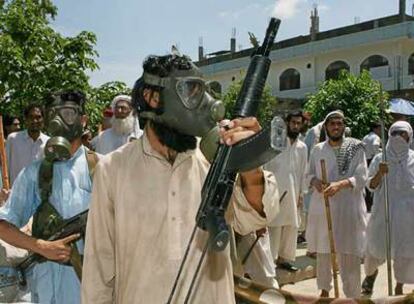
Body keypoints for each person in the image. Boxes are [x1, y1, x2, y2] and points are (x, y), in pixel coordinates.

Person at [81, 54, 279, 303]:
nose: (207, 103)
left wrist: (249, 164)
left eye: (203, 90)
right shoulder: (112, 170)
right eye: (191, 91)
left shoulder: (214, 160)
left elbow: (253, 220)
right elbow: (99, 268)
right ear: (153, 98)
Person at [0, 91, 99, 304]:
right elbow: (3, 225)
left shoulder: (104, 169)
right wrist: (41, 247)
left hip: (93, 286)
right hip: (46, 287)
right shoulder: (34, 173)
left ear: (83, 120)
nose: (59, 120)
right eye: (53, 114)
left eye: (68, 114)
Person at [306, 110, 368, 298]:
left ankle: (352, 297)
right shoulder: (317, 150)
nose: (335, 127)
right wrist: (315, 182)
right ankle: (325, 293)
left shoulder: (356, 147)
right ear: (326, 127)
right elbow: (308, 175)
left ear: (344, 126)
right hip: (324, 210)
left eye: (339, 123)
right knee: (324, 254)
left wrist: (340, 185)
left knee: (349, 255)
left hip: (348, 209)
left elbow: (361, 176)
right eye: (332, 124)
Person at [362, 121, 414, 296]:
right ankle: (371, 275)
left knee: (405, 252)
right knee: (374, 248)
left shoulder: (413, 158)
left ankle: (400, 285)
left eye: (403, 134)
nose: (399, 137)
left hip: (407, 215)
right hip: (383, 211)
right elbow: (370, 185)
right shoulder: (379, 158)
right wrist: (380, 173)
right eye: (395, 133)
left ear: (409, 136)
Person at [264, 111, 307, 271]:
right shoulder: (275, 143)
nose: (296, 126)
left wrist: (302, 193)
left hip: (294, 191)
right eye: (293, 122)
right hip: (274, 190)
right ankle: (271, 260)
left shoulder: (302, 147)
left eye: (298, 123)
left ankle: (285, 259)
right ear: (287, 123)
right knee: (274, 225)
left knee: (290, 225)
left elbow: (304, 171)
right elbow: (266, 166)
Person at [5, 104, 49, 185]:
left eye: (38, 117)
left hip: (39, 196)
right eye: (31, 117)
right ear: (25, 120)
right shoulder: (13, 139)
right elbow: (5, 167)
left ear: (43, 119)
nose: (35, 121)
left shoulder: (48, 142)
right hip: (15, 195)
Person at [362, 122, 382, 212]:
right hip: (372, 160)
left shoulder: (366, 137)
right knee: (371, 181)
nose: (380, 131)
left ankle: (367, 203)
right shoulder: (376, 137)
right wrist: (378, 154)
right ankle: (370, 204)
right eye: (379, 128)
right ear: (375, 128)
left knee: (366, 182)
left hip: (365, 160)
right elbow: (375, 145)